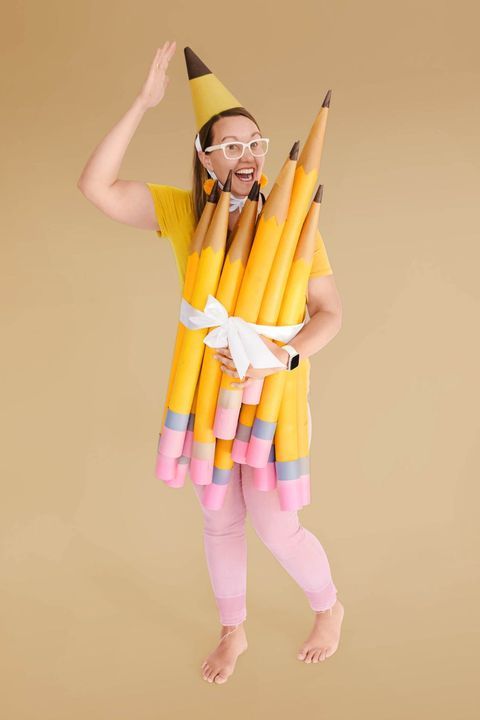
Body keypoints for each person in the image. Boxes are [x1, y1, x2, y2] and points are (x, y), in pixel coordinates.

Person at [77, 40, 345, 685]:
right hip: (204, 390)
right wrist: (143, 104)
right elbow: (97, 188)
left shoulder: (296, 225)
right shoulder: (183, 212)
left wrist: (275, 361)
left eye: (255, 142)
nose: (248, 154)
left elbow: (330, 314)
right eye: (230, 145)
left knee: (277, 527)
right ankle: (234, 631)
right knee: (219, 517)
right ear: (205, 157)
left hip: (273, 392)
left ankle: (329, 607)